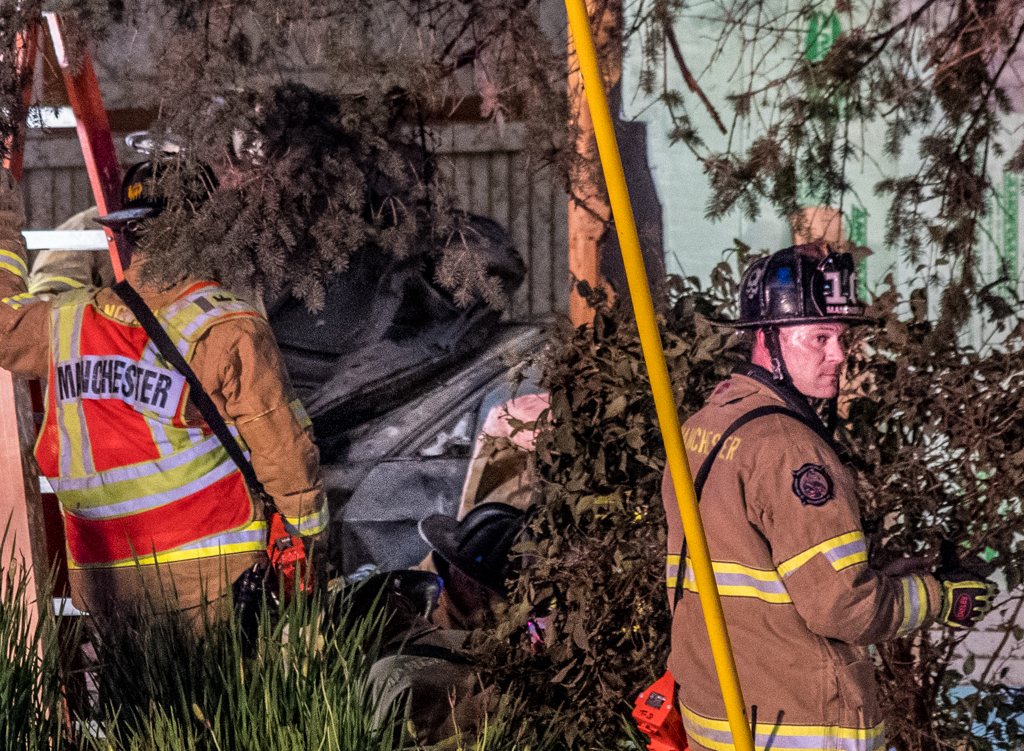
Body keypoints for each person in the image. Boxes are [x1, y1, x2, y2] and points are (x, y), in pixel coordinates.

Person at [661, 243, 997, 751]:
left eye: (840, 337)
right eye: (819, 337)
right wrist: (942, 597)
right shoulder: (790, 448)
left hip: (718, 714)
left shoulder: (704, 425)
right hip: (797, 721)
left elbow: (756, 568)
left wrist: (880, 576)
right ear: (766, 338)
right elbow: (844, 609)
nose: (838, 355)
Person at [0, 162, 328, 625]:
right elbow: (285, 454)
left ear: (127, 233)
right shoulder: (226, 326)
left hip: (109, 584)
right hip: (215, 576)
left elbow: (5, 322)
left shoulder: (66, 325)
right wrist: (308, 549)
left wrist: (2, 219)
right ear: (209, 230)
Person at [356, 502, 526, 745]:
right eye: (507, 598)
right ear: (468, 582)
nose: (515, 611)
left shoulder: (438, 616)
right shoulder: (413, 644)